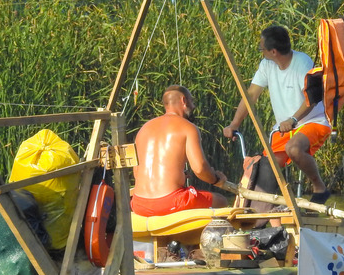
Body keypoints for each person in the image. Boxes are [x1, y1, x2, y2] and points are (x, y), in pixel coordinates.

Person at [223, 25, 332, 204]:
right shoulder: (267, 65)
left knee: (293, 148)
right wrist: (235, 124)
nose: (261, 52)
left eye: (262, 49)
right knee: (267, 168)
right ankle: (269, 210)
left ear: (273, 51)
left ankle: (320, 188)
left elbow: (311, 100)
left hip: (312, 121)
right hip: (284, 129)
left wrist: (293, 119)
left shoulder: (302, 63)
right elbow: (251, 95)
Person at [131, 85, 228, 216]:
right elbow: (200, 169)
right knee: (222, 201)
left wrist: (180, 175)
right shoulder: (188, 127)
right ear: (184, 100)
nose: (193, 106)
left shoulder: (144, 128)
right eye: (192, 101)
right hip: (170, 202)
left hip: (139, 203)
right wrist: (216, 179)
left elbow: (137, 173)